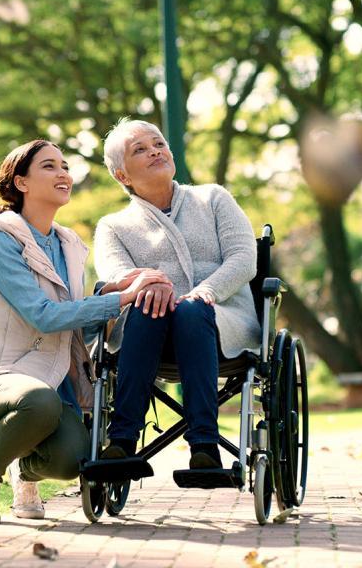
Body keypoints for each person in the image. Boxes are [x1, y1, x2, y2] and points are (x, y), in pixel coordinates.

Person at [0, 139, 169, 523]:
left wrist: (110, 292)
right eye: (49, 167)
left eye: (65, 166)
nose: (64, 174)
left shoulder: (68, 245)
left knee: (75, 459)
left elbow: (71, 330)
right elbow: (44, 317)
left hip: (47, 384)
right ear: (21, 183)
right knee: (39, 400)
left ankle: (25, 472)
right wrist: (119, 300)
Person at [93, 118, 262, 470]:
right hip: (148, 335)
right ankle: (122, 440)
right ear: (122, 175)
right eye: (139, 149)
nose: (155, 150)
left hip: (221, 323)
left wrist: (205, 292)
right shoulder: (113, 226)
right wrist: (148, 282)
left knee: (190, 310)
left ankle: (205, 445)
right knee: (147, 306)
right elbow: (116, 275)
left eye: (158, 144)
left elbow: (244, 258)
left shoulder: (213, 198)